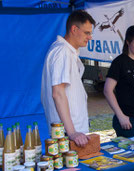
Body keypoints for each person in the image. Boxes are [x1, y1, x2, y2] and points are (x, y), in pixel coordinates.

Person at [41, 10, 95, 147]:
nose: (90, 37)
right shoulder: (62, 52)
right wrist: (72, 132)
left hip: (71, 133)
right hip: (68, 135)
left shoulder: (66, 51)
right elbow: (57, 93)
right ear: (74, 29)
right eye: (87, 33)